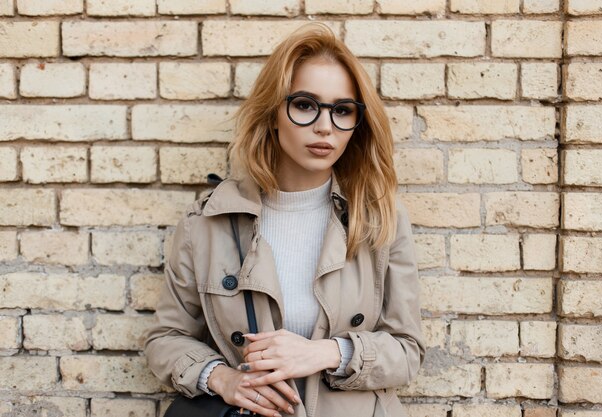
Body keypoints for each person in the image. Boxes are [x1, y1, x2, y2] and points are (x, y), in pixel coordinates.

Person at [144, 22, 425, 417]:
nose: (325, 126)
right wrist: (222, 378)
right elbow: (166, 339)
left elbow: (408, 351)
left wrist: (326, 353)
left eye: (342, 110)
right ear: (274, 113)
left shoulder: (378, 221)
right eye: (305, 105)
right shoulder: (207, 222)